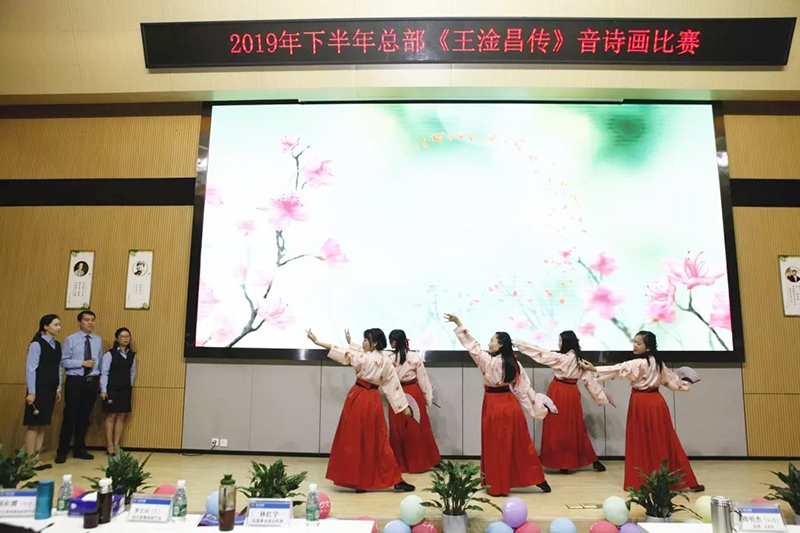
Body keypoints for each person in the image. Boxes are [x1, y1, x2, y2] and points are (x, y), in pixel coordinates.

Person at [579, 331, 704, 492]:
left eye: (639, 343)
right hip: (657, 403)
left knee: (640, 442)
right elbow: (674, 383)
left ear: (648, 347)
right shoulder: (658, 363)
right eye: (634, 342)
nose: (635, 345)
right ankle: (678, 481)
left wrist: (594, 369)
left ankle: (643, 481)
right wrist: (687, 382)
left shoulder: (637, 363)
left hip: (640, 403)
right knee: (665, 441)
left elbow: (617, 370)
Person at [445, 313, 553, 496]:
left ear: (500, 344)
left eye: (492, 340)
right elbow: (524, 389)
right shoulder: (513, 362)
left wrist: (459, 324)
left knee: (495, 446)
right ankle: (537, 479)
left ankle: (496, 484)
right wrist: (539, 409)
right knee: (520, 444)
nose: (488, 343)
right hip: (510, 406)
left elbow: (473, 346)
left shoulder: (488, 360)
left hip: (494, 406)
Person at [306, 328, 415, 492]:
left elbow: (342, 351)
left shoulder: (367, 358)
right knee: (373, 439)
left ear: (374, 343)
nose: (363, 342)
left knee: (363, 438)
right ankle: (366, 481)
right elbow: (392, 383)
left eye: (365, 340)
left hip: (360, 397)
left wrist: (317, 341)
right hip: (367, 398)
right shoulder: (381, 359)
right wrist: (403, 406)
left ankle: (380, 480)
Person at [513, 331, 610, 473]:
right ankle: (591, 460)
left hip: (558, 392)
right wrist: (601, 398)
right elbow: (589, 381)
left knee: (557, 428)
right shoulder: (580, 360)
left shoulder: (561, 359)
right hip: (572, 394)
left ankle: (563, 463)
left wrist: (518, 343)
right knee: (576, 428)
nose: (558, 344)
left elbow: (540, 352)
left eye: (560, 341)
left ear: (566, 343)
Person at [385, 329, 441, 473]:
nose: (391, 343)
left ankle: (407, 463)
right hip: (406, 391)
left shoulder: (394, 358)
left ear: (396, 341)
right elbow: (423, 378)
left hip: (401, 393)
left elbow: (422, 378)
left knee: (406, 428)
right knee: (410, 428)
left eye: (392, 340)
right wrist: (427, 398)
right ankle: (412, 462)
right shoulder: (399, 357)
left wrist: (427, 398)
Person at [56, 310, 102, 463]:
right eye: (87, 320)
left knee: (84, 417)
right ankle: (62, 450)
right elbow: (63, 361)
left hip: (91, 381)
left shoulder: (97, 340)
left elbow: (99, 361)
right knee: (70, 416)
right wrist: (82, 363)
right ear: (80, 322)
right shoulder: (70, 339)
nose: (90, 323)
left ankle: (79, 449)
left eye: (92, 320)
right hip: (75, 381)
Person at [24, 314, 63, 469]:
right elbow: (31, 368)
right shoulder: (37, 344)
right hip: (38, 388)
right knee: (33, 425)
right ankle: (29, 460)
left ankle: (37, 457)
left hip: (50, 389)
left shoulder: (57, 345)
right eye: (55, 324)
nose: (58, 327)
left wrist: (58, 388)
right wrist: (31, 392)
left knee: (42, 424)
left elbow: (58, 367)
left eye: (59, 324)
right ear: (45, 326)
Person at [100, 328, 137, 455]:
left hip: (125, 390)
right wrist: (103, 390)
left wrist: (129, 386)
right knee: (111, 416)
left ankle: (117, 444)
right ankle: (109, 444)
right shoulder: (109, 354)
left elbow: (132, 372)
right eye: (122, 336)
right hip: (112, 389)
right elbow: (104, 372)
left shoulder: (132, 355)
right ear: (117, 339)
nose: (125, 339)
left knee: (121, 416)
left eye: (127, 336)